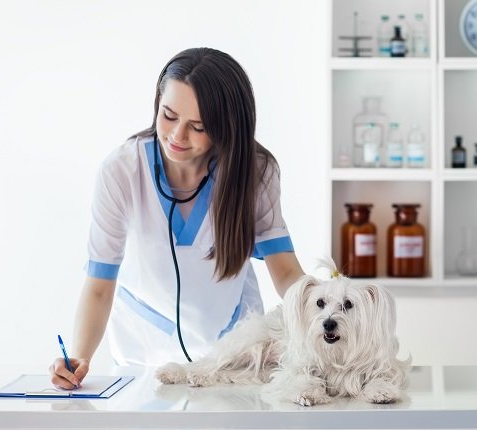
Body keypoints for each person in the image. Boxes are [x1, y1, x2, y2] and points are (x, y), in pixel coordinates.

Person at [50, 47, 305, 389]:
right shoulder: (122, 170)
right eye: (168, 115)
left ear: (227, 128)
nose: (176, 136)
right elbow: (98, 285)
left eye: (198, 126)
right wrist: (80, 357)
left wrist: (323, 316)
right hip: (144, 352)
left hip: (233, 354)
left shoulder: (256, 171)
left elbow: (286, 271)